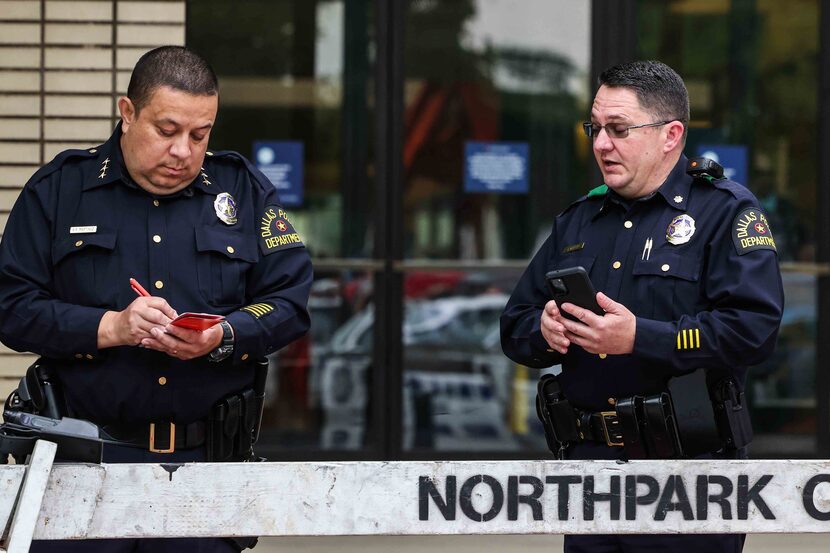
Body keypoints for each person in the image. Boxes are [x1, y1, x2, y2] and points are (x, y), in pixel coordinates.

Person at [0, 46, 312, 552]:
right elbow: (10, 307)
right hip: (81, 469)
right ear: (127, 113)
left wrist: (223, 336)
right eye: (166, 131)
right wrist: (111, 328)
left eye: (200, 134)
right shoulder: (60, 191)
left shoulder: (243, 192)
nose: (184, 151)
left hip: (205, 474)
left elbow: (290, 302)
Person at [500, 60, 783, 552]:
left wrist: (641, 338)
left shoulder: (725, 211)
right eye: (595, 128)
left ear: (670, 135)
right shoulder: (579, 220)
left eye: (619, 129)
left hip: (688, 481)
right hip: (591, 477)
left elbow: (753, 330)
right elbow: (514, 326)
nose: (601, 143)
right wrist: (544, 331)